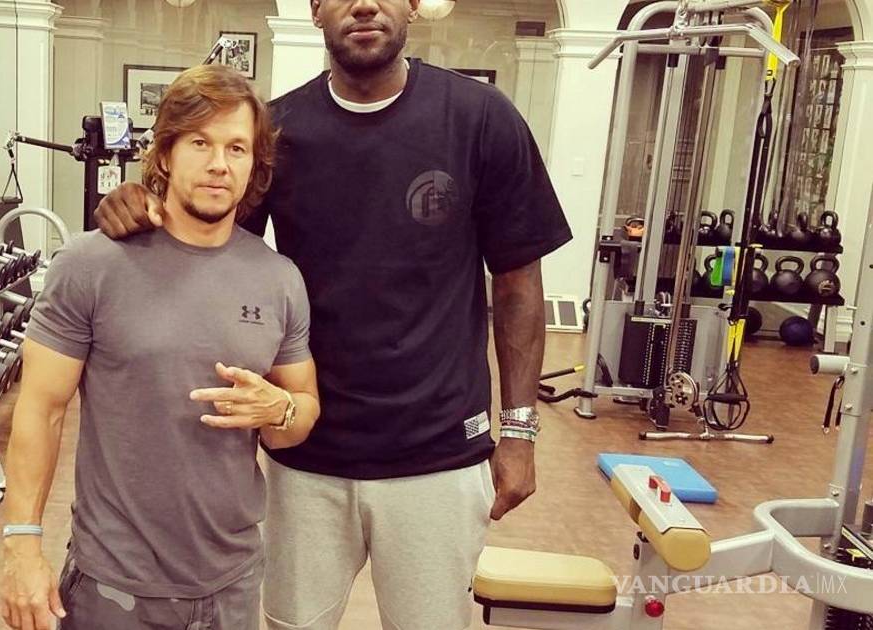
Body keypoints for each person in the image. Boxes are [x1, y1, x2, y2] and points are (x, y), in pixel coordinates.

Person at [98, 3, 573, 629]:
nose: (365, 4)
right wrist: (142, 203)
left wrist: (520, 432)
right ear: (316, 8)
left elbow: (517, 282)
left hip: (439, 455)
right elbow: (209, 244)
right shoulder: (279, 132)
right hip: (305, 454)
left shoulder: (481, 118)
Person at [0, 64, 321, 630]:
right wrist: (21, 546)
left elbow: (300, 412)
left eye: (237, 148)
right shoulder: (90, 265)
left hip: (233, 583)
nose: (219, 163)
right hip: (115, 585)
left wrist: (281, 410)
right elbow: (41, 410)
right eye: (200, 143)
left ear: (254, 166)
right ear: (166, 154)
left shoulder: (278, 279)